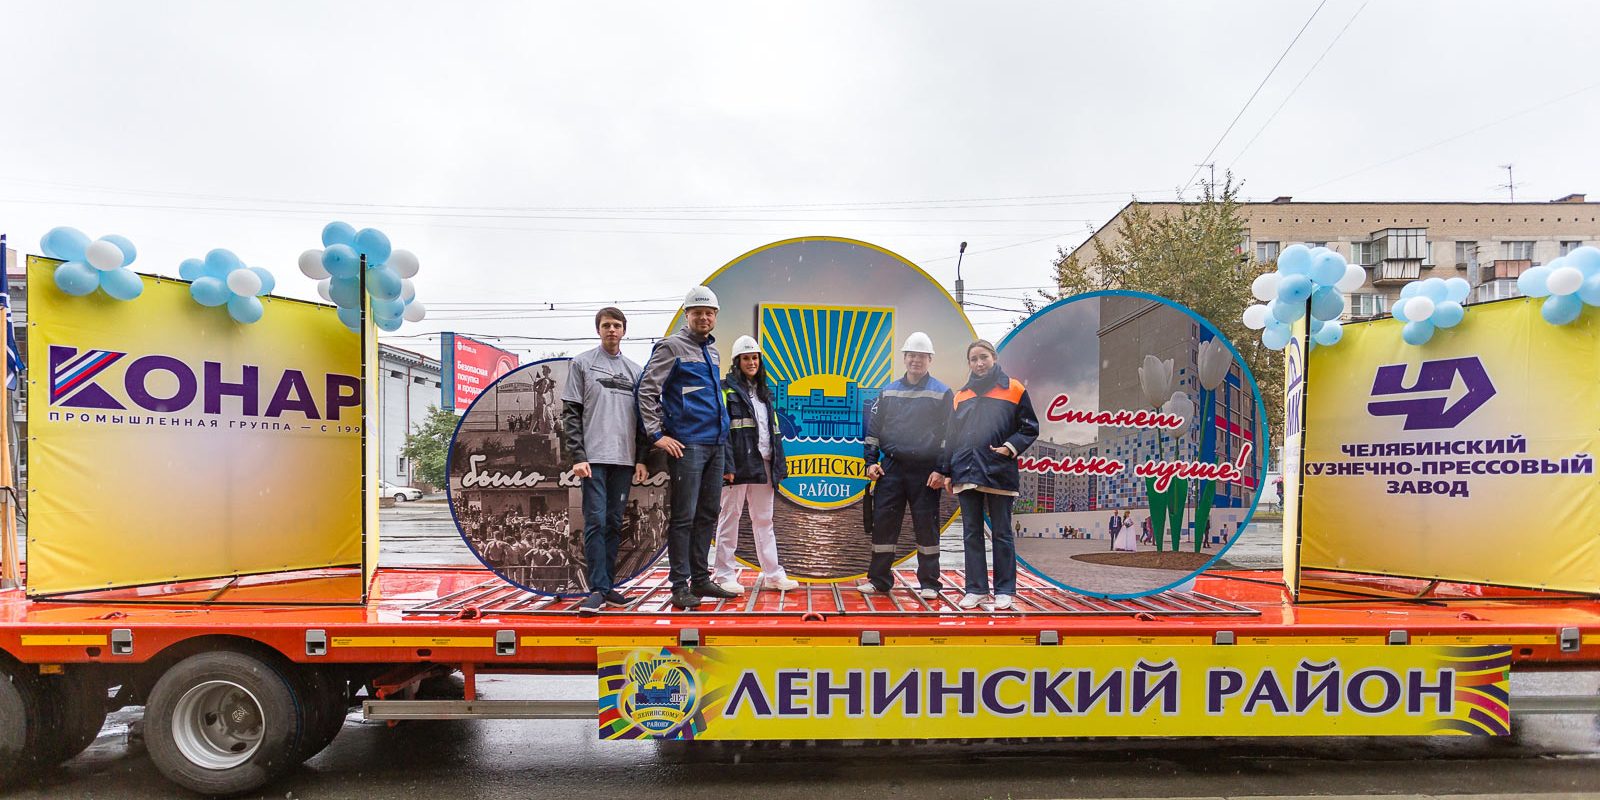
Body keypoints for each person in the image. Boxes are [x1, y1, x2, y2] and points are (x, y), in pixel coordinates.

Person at [636, 285, 739, 610]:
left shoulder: (713, 351)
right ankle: (679, 586)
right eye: (698, 312)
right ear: (687, 314)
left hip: (715, 444)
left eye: (710, 312)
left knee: (708, 513)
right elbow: (646, 392)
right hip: (687, 445)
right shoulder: (670, 347)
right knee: (684, 517)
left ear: (715, 316)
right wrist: (656, 435)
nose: (704, 317)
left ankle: (700, 579)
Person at [561, 307, 654, 616]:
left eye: (616, 325)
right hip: (594, 459)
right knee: (596, 522)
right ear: (598, 330)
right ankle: (597, 589)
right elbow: (571, 413)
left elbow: (643, 420)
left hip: (624, 460)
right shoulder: (582, 363)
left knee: (615, 522)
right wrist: (578, 455)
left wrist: (642, 458)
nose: (611, 330)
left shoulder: (635, 371)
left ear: (624, 330)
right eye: (606, 325)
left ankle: (609, 586)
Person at [940, 340, 1038, 611]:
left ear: (994, 358)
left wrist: (1009, 447)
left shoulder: (1015, 389)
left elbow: (1029, 428)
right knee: (971, 533)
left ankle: (1004, 590)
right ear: (969, 363)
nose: (979, 363)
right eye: (973, 359)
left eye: (983, 357)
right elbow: (951, 437)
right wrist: (948, 470)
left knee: (1002, 533)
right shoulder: (962, 395)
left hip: (999, 471)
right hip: (966, 470)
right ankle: (976, 589)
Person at [856, 332, 952, 599]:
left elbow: (948, 436)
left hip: (926, 471)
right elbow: (874, 430)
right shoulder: (888, 391)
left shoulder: (941, 392)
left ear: (929, 359)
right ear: (904, 358)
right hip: (892, 468)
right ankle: (879, 580)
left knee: (926, 526)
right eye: (911, 355)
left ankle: (930, 584)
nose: (915, 360)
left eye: (921, 356)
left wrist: (942, 470)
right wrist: (870, 462)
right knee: (884, 523)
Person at [712, 336, 800, 594]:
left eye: (754, 358)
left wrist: (778, 465)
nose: (751, 362)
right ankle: (724, 574)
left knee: (764, 520)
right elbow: (723, 432)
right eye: (746, 358)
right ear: (737, 362)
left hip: (763, 463)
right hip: (737, 466)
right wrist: (727, 466)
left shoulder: (765, 393)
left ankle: (773, 574)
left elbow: (772, 432)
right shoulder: (726, 389)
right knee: (730, 518)